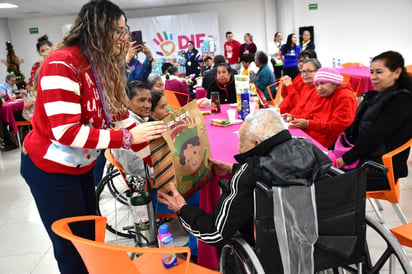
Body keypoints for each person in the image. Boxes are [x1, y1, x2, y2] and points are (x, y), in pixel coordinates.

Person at [19, 1, 167, 273]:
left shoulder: (104, 64)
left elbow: (121, 116)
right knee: (72, 246)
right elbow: (65, 131)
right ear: (98, 29)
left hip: (81, 165)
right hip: (50, 169)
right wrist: (124, 139)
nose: (125, 38)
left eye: (126, 30)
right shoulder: (61, 63)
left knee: (89, 234)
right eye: (119, 31)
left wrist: (159, 167)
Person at [157, 109, 332, 252]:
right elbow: (280, 170)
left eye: (241, 141)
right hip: (322, 236)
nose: (239, 147)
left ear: (256, 143)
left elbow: (215, 233)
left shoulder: (249, 174)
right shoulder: (307, 147)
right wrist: (232, 169)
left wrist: (182, 209)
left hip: (272, 246)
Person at [336, 51, 412, 191]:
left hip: (380, 170)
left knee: (322, 178)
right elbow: (355, 129)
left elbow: (374, 137)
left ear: (397, 73)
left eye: (379, 72)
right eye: (371, 72)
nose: (373, 77)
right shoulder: (375, 97)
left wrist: (343, 160)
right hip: (366, 160)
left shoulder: (401, 100)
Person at [283, 67, 358, 148]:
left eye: (322, 83)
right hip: (314, 136)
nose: (319, 88)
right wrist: (294, 117)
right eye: (317, 85)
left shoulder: (345, 97)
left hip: (330, 143)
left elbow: (337, 128)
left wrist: (308, 124)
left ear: (334, 82)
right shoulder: (325, 93)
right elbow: (312, 115)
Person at [112, 80, 153, 178]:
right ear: (126, 101)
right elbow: (134, 166)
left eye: (149, 101)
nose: (147, 105)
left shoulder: (137, 121)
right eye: (141, 100)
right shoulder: (126, 127)